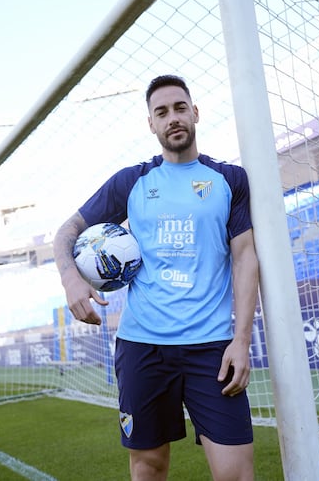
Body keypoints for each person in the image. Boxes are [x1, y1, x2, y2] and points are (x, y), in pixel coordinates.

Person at [53, 75, 259, 481]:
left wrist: (242, 340)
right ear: (151, 124)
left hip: (212, 349)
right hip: (142, 346)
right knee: (148, 467)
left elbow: (245, 257)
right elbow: (67, 232)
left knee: (236, 473)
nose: (173, 118)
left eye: (180, 108)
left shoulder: (229, 180)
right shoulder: (131, 181)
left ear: (195, 113)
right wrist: (70, 279)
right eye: (161, 112)